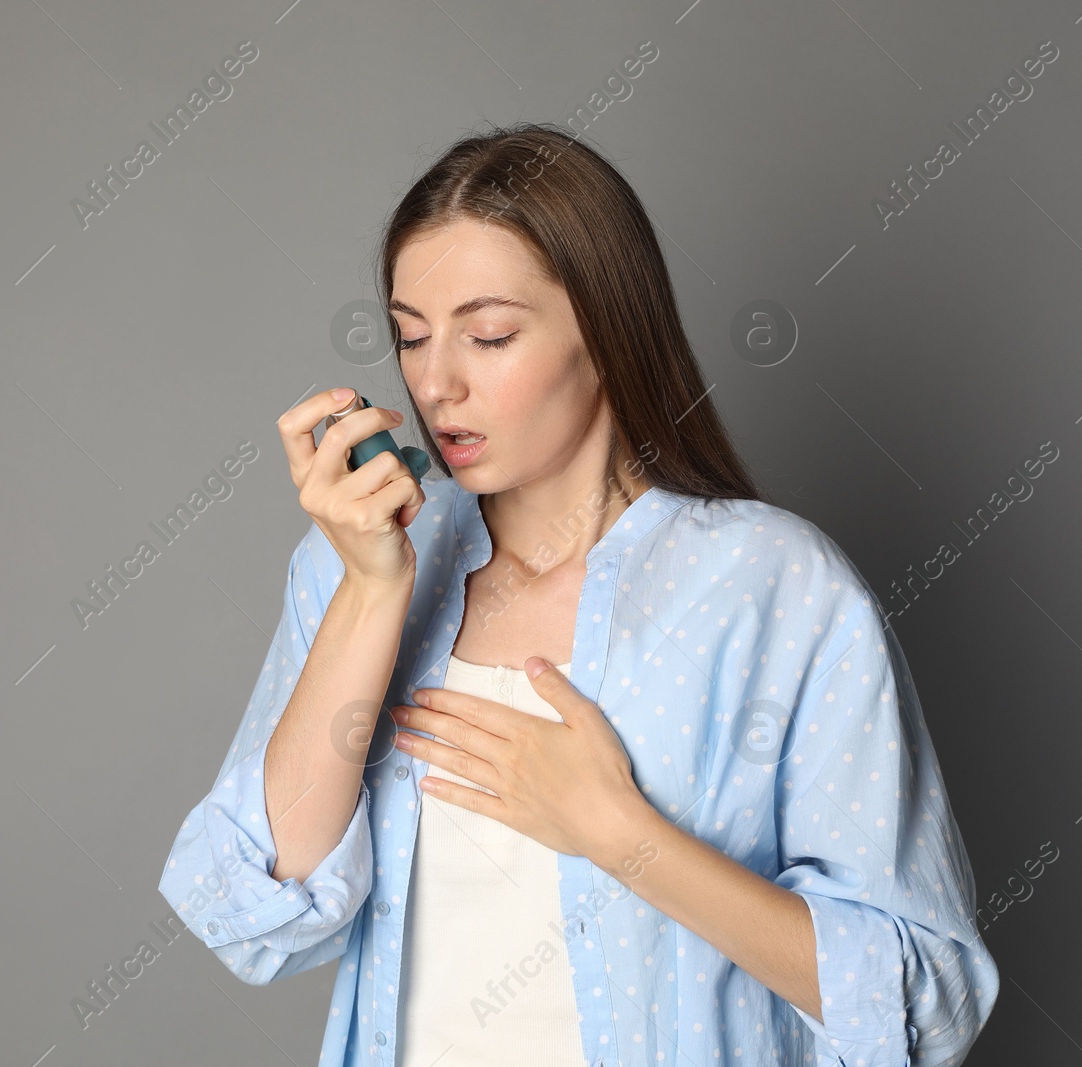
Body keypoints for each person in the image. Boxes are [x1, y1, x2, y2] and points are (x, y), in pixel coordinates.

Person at [158, 122, 1000, 1066]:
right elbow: (259, 907)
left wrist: (620, 833)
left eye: (489, 335)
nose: (437, 383)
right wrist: (368, 588)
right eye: (409, 336)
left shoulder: (776, 589)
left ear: (607, 329)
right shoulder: (357, 564)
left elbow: (921, 1003)